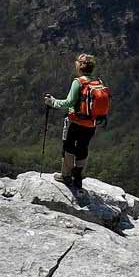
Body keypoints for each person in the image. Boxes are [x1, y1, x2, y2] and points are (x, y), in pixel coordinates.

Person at [43, 53, 106, 194]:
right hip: (91, 124)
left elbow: (68, 103)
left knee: (69, 147)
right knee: (83, 148)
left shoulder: (78, 82)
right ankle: (78, 178)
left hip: (75, 122)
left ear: (80, 66)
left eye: (77, 62)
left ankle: (66, 176)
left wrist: (51, 102)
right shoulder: (97, 82)